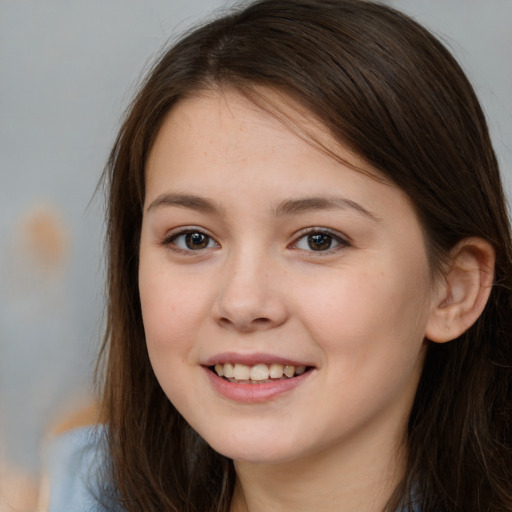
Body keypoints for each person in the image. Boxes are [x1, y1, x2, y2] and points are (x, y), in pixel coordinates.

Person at [45, 0, 512, 511]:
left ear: (454, 290)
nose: (242, 303)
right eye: (193, 239)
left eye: (319, 240)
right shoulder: (78, 492)